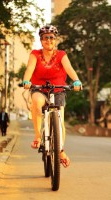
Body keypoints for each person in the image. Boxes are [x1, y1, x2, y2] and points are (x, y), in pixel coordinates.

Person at [22, 24, 82, 168]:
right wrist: (26, 81)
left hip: (58, 89)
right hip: (39, 89)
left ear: (55, 39)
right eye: (45, 38)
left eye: (51, 38)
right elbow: (29, 68)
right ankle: (38, 136)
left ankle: (60, 150)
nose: (48, 40)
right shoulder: (35, 54)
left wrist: (76, 81)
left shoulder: (61, 54)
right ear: (41, 40)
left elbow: (69, 68)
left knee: (59, 120)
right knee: (36, 101)